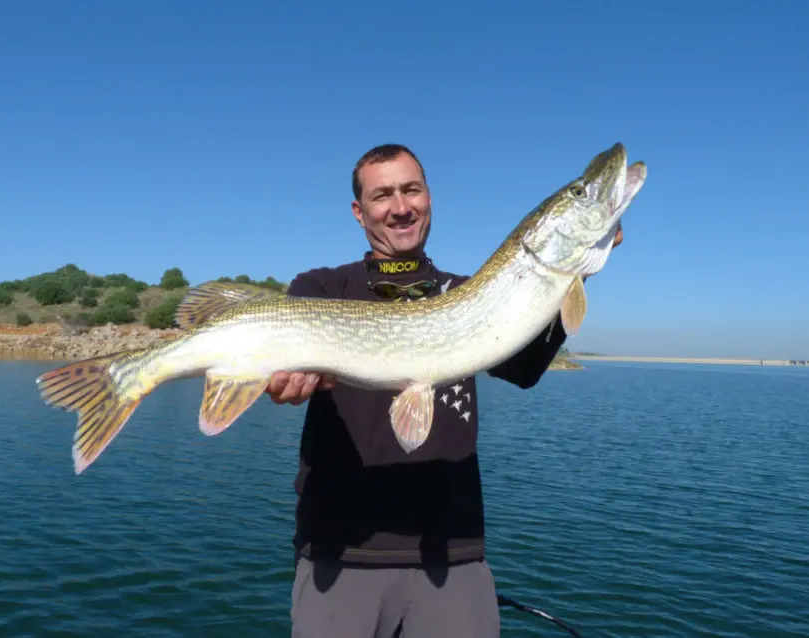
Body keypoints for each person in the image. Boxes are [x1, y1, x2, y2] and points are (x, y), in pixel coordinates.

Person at [266, 144, 622, 638]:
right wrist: (285, 379)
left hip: (451, 551)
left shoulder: (468, 290)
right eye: (382, 195)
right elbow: (281, 367)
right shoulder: (322, 288)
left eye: (412, 189)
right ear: (359, 210)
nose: (400, 206)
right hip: (340, 551)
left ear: (429, 198)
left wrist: (575, 268)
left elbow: (523, 368)